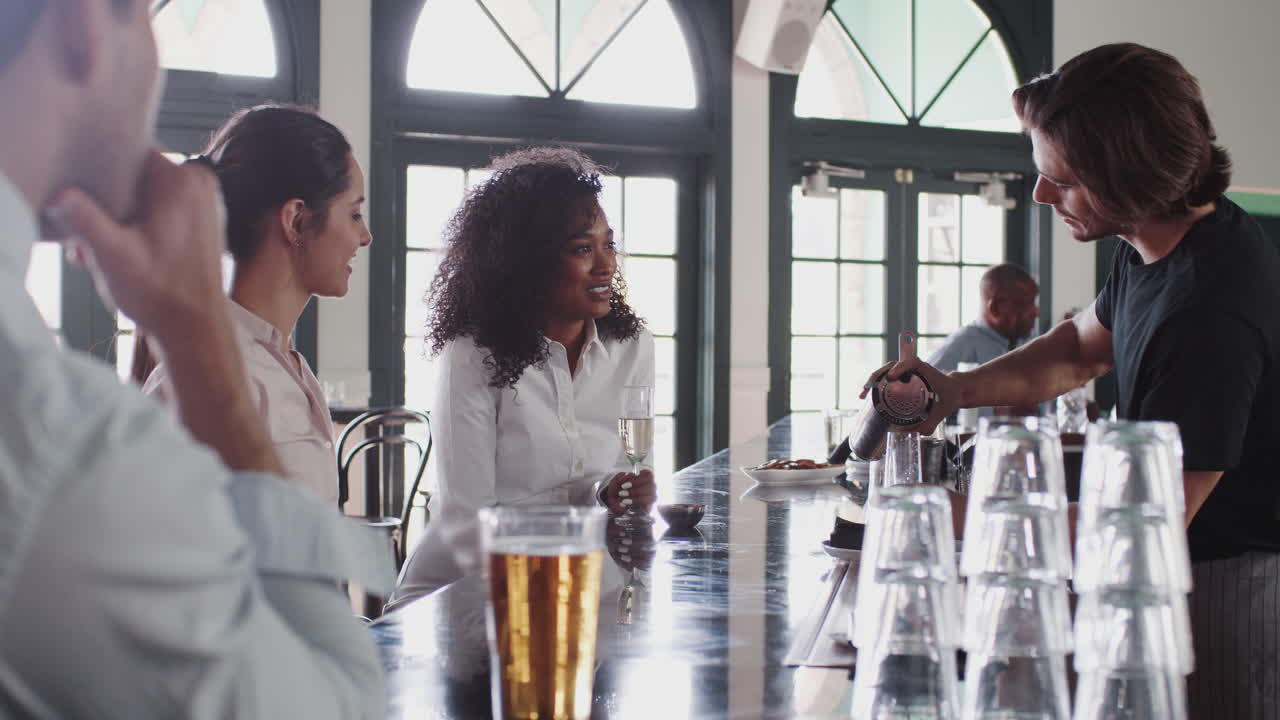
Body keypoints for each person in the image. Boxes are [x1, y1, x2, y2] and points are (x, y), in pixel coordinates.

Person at [0, 2, 392, 717]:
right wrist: (199, 342)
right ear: (87, 21)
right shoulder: (60, 439)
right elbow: (337, 704)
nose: (366, 238)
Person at [873, 43, 1280, 715]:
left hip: (1227, 591)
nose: (1040, 194)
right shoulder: (1154, 243)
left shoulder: (1212, 309)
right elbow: (1080, 349)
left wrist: (956, 514)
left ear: (1127, 179)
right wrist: (954, 389)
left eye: (1061, 181)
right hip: (1178, 576)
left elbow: (1149, 524)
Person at [388, 147, 657, 609]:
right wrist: (586, 514)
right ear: (526, 262)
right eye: (581, 248)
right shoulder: (472, 354)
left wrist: (614, 492)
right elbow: (468, 524)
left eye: (608, 244)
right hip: (457, 602)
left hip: (571, 590)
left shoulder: (632, 347)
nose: (605, 264)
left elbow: (622, 474)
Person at [138, 105, 371, 506]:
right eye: (354, 213)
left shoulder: (287, 366)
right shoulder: (199, 382)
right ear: (297, 220)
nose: (364, 236)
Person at [926, 263, 1039, 372]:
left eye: (1034, 302)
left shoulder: (1033, 343)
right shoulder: (960, 346)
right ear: (995, 308)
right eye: (1025, 304)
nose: (1036, 312)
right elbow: (922, 386)